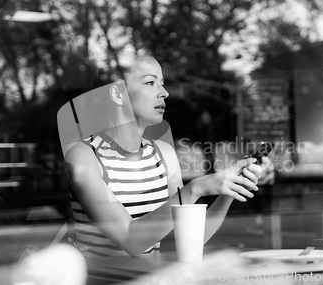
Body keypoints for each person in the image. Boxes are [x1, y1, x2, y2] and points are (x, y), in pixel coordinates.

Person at [62, 55, 272, 258]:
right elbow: (131, 240)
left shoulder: (163, 154)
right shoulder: (83, 156)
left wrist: (230, 187)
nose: (164, 93)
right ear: (118, 94)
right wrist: (196, 188)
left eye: (162, 83)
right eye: (150, 83)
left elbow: (187, 239)